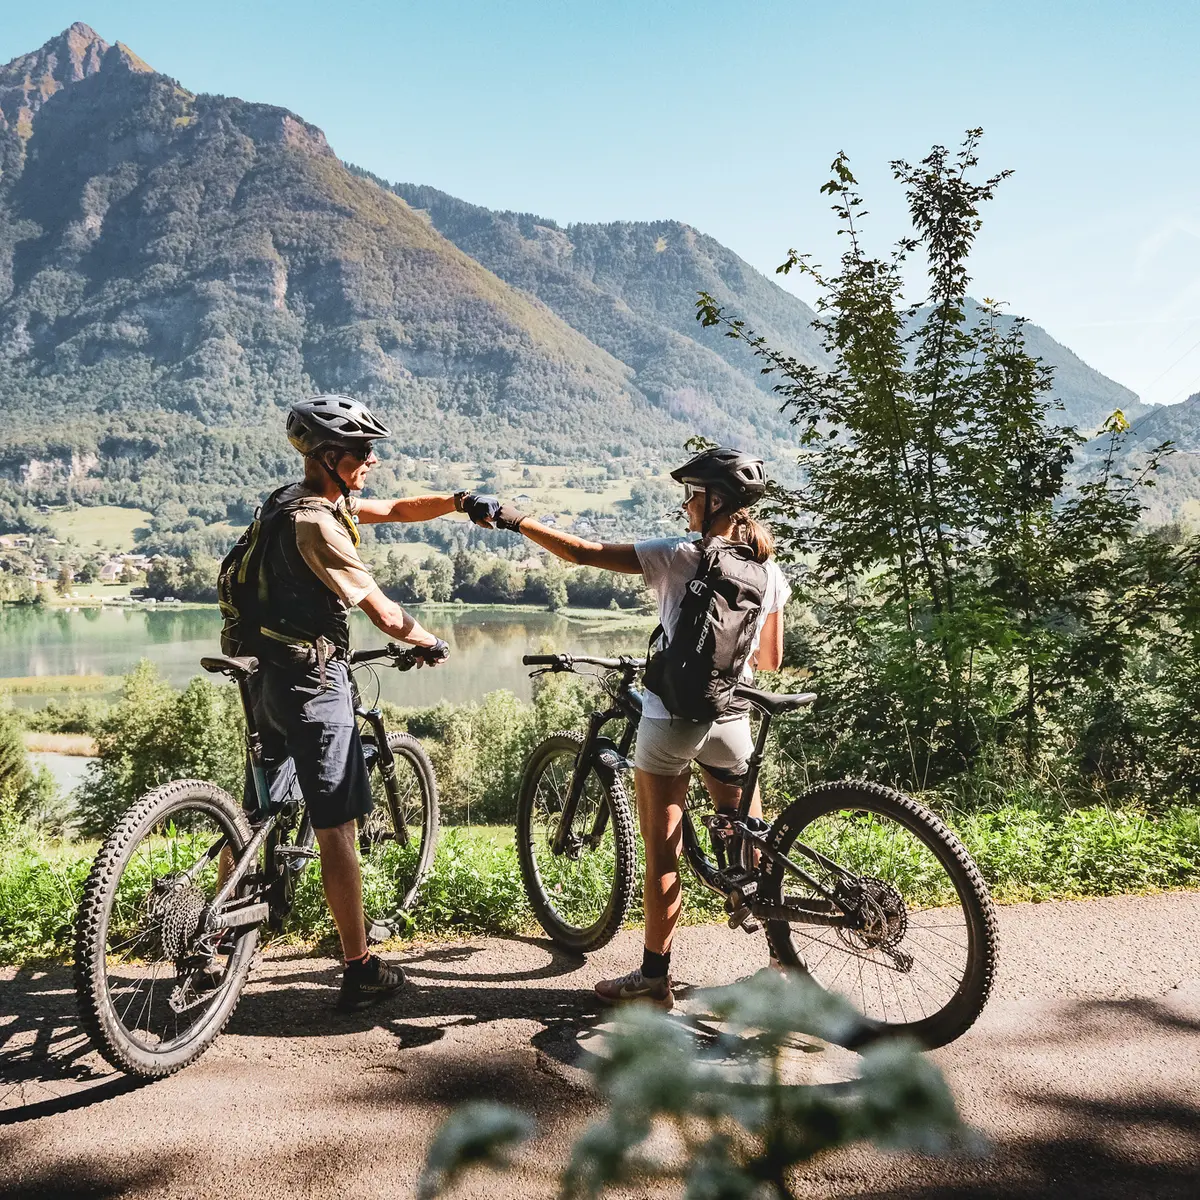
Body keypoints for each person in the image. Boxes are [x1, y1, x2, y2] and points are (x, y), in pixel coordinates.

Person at [479, 447, 789, 1009]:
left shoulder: (678, 555)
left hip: (672, 721)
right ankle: (782, 962)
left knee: (662, 854)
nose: (685, 504)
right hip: (733, 718)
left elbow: (579, 552)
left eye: (692, 494)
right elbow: (769, 659)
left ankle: (652, 980)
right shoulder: (767, 571)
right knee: (750, 840)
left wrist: (513, 517)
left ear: (715, 501)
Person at [245, 393, 490, 1012]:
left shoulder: (289, 503)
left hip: (265, 679)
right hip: (312, 683)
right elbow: (379, 611)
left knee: (255, 816)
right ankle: (359, 967)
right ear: (329, 456)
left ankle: (226, 931)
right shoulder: (318, 525)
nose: (371, 459)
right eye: (361, 451)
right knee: (338, 832)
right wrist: (428, 638)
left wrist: (457, 504)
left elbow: (396, 510)